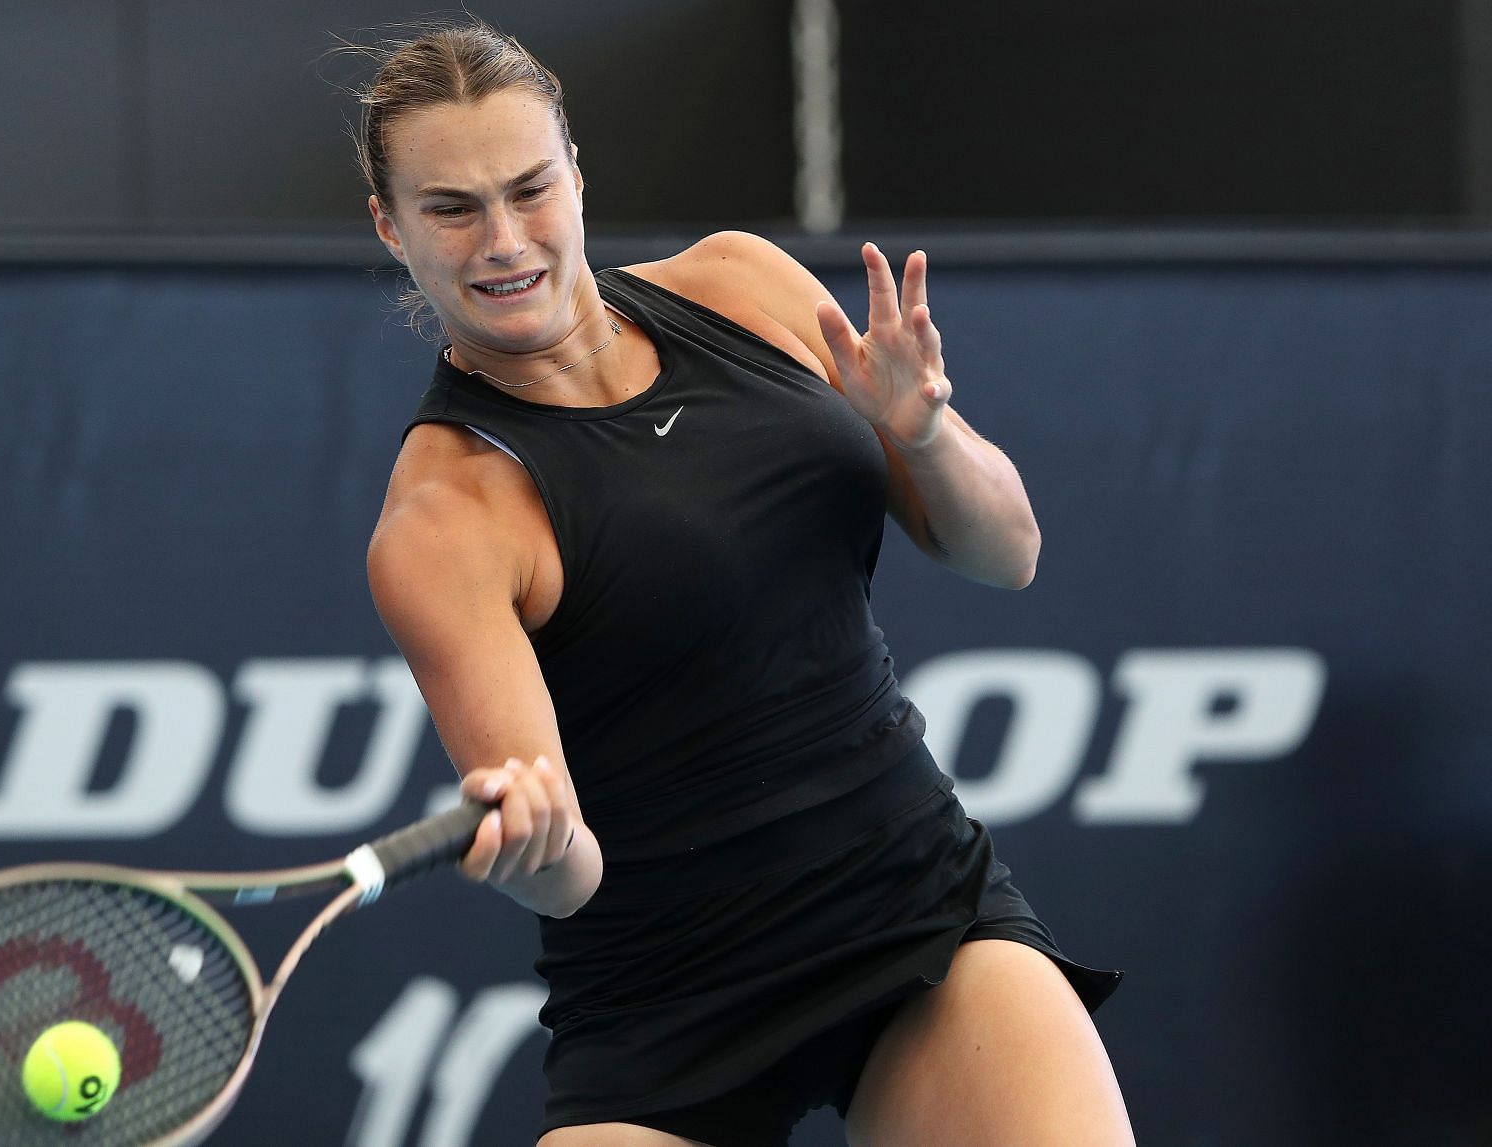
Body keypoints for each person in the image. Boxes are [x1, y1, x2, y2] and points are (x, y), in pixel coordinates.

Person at [352, 20, 1133, 1147]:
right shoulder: (443, 520)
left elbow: (1006, 552)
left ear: (577, 169)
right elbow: (568, 875)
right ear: (391, 225)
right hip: (668, 1012)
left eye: (530, 188)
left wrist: (924, 436)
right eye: (452, 208)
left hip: (909, 909)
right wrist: (532, 837)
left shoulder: (743, 285)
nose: (504, 239)